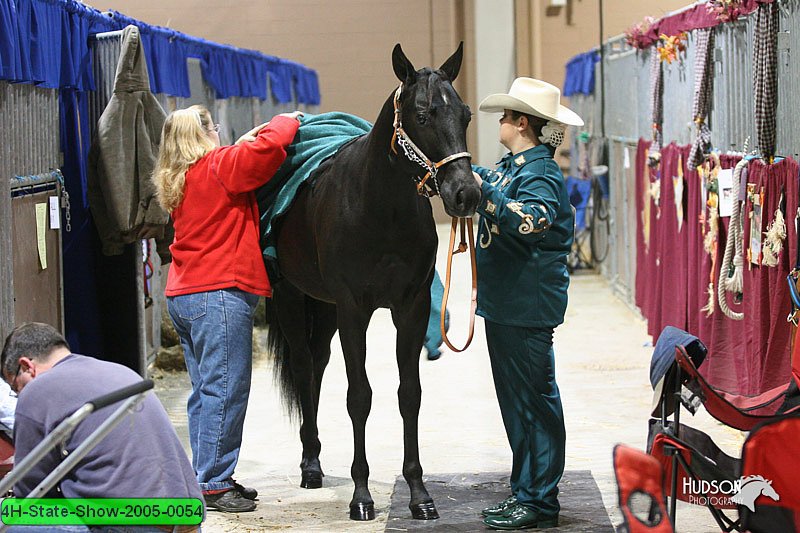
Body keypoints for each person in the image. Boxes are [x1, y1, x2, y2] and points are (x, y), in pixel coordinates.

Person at [152, 105, 301, 513]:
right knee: (226, 389)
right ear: (202, 134)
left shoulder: (178, 178)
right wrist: (289, 118)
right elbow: (270, 148)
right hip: (217, 294)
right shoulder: (220, 166)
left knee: (205, 391)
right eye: (213, 127)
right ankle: (215, 484)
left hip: (184, 295)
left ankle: (206, 476)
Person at [470, 78, 583, 530]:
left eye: (505, 116)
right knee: (517, 403)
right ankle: (525, 490)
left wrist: (486, 193)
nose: (499, 122)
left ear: (522, 123)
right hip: (508, 303)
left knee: (534, 401)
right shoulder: (515, 165)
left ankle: (539, 500)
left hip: (526, 305)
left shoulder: (540, 173)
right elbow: (489, 184)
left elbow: (530, 222)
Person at [0, 322, 202, 532]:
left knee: (7, 515)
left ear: (26, 366)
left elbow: (32, 495)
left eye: (16, 387)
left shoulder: (37, 390)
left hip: (127, 521)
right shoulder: (119, 371)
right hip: (186, 516)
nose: (20, 395)